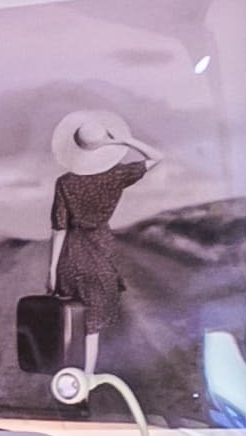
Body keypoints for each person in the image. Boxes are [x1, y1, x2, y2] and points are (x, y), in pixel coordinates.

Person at [13, 112, 155, 377]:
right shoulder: (116, 176)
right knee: (92, 326)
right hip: (101, 249)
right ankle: (87, 381)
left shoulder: (65, 183)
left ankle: (66, 374)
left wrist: (52, 270)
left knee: (71, 315)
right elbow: (157, 157)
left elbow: (59, 227)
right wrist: (125, 140)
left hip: (72, 253)